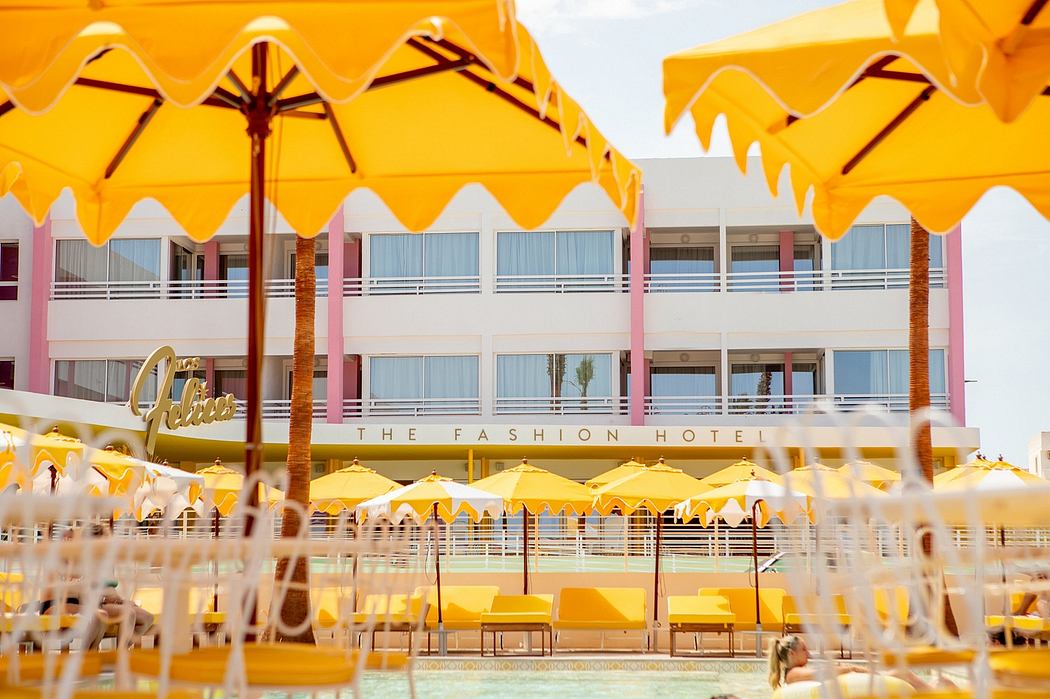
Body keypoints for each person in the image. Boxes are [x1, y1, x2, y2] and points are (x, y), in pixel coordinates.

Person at [39, 524, 154, 649]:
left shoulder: (97, 562)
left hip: (96, 602)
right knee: (114, 614)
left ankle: (114, 652)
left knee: (145, 617)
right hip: (84, 602)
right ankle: (101, 655)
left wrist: (121, 600)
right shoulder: (68, 561)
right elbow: (74, 589)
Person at [768, 635, 956, 690]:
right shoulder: (794, 675)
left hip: (860, 684)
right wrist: (854, 668)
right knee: (903, 674)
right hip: (863, 683)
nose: (808, 653)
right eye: (804, 650)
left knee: (942, 682)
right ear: (792, 654)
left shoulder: (795, 674)